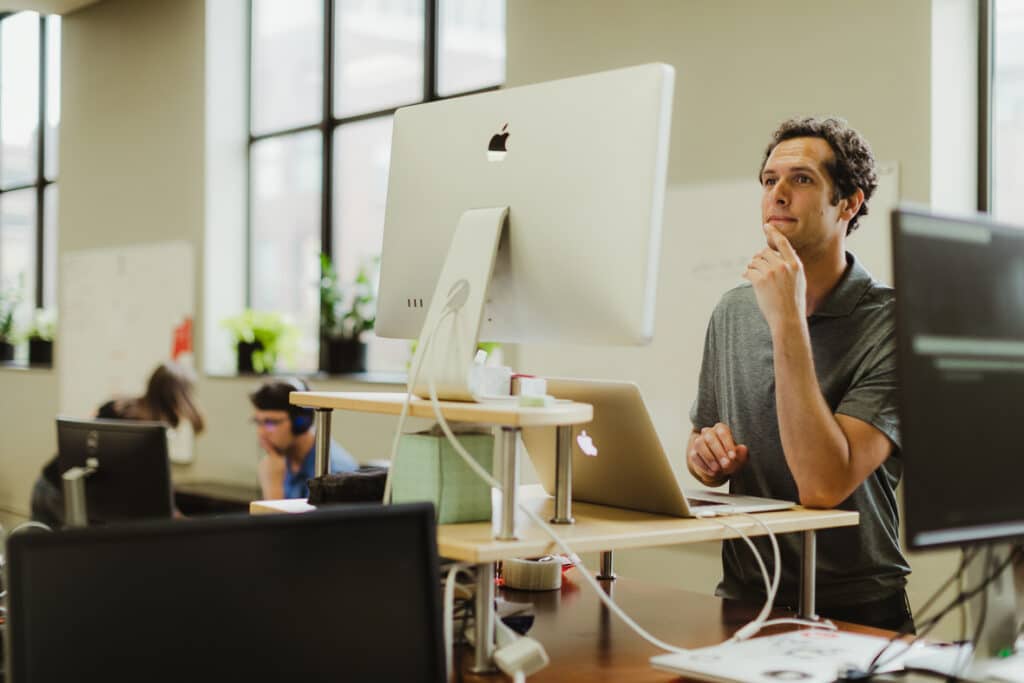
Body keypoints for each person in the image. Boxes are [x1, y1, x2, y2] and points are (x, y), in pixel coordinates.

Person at [686, 116, 912, 631]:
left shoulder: (895, 323)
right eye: (769, 181)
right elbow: (702, 442)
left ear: (849, 203)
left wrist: (787, 318)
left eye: (802, 179)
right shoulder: (733, 310)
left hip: (856, 604)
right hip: (744, 594)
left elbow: (823, 484)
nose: (778, 194)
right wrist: (706, 457)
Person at [30, 361, 206, 527]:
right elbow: (151, 491)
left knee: (40, 556)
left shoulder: (117, 406)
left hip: (48, 483)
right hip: (68, 498)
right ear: (179, 398)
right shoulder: (149, 435)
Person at [249, 378, 358, 500]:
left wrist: (273, 488)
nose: (261, 432)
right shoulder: (279, 460)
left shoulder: (335, 472)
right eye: (258, 422)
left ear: (301, 422)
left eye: (270, 423)